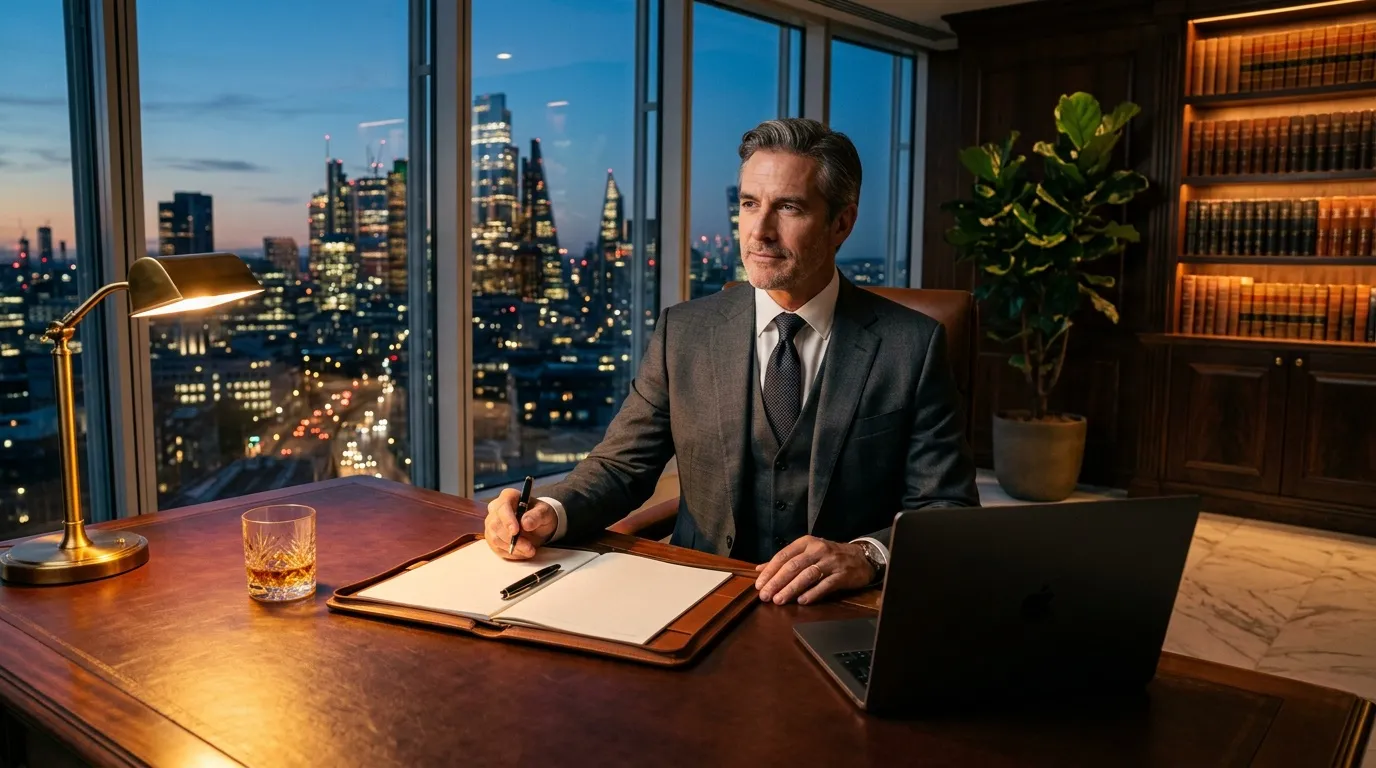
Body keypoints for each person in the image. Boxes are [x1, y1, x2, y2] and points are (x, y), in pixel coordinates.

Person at [485, 117, 978, 605]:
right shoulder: (684, 331)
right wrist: (548, 511)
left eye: (788, 207)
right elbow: (621, 466)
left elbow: (947, 506)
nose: (760, 231)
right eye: (748, 204)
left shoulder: (912, 346)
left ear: (841, 223)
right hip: (697, 598)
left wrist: (867, 556)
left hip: (838, 609)